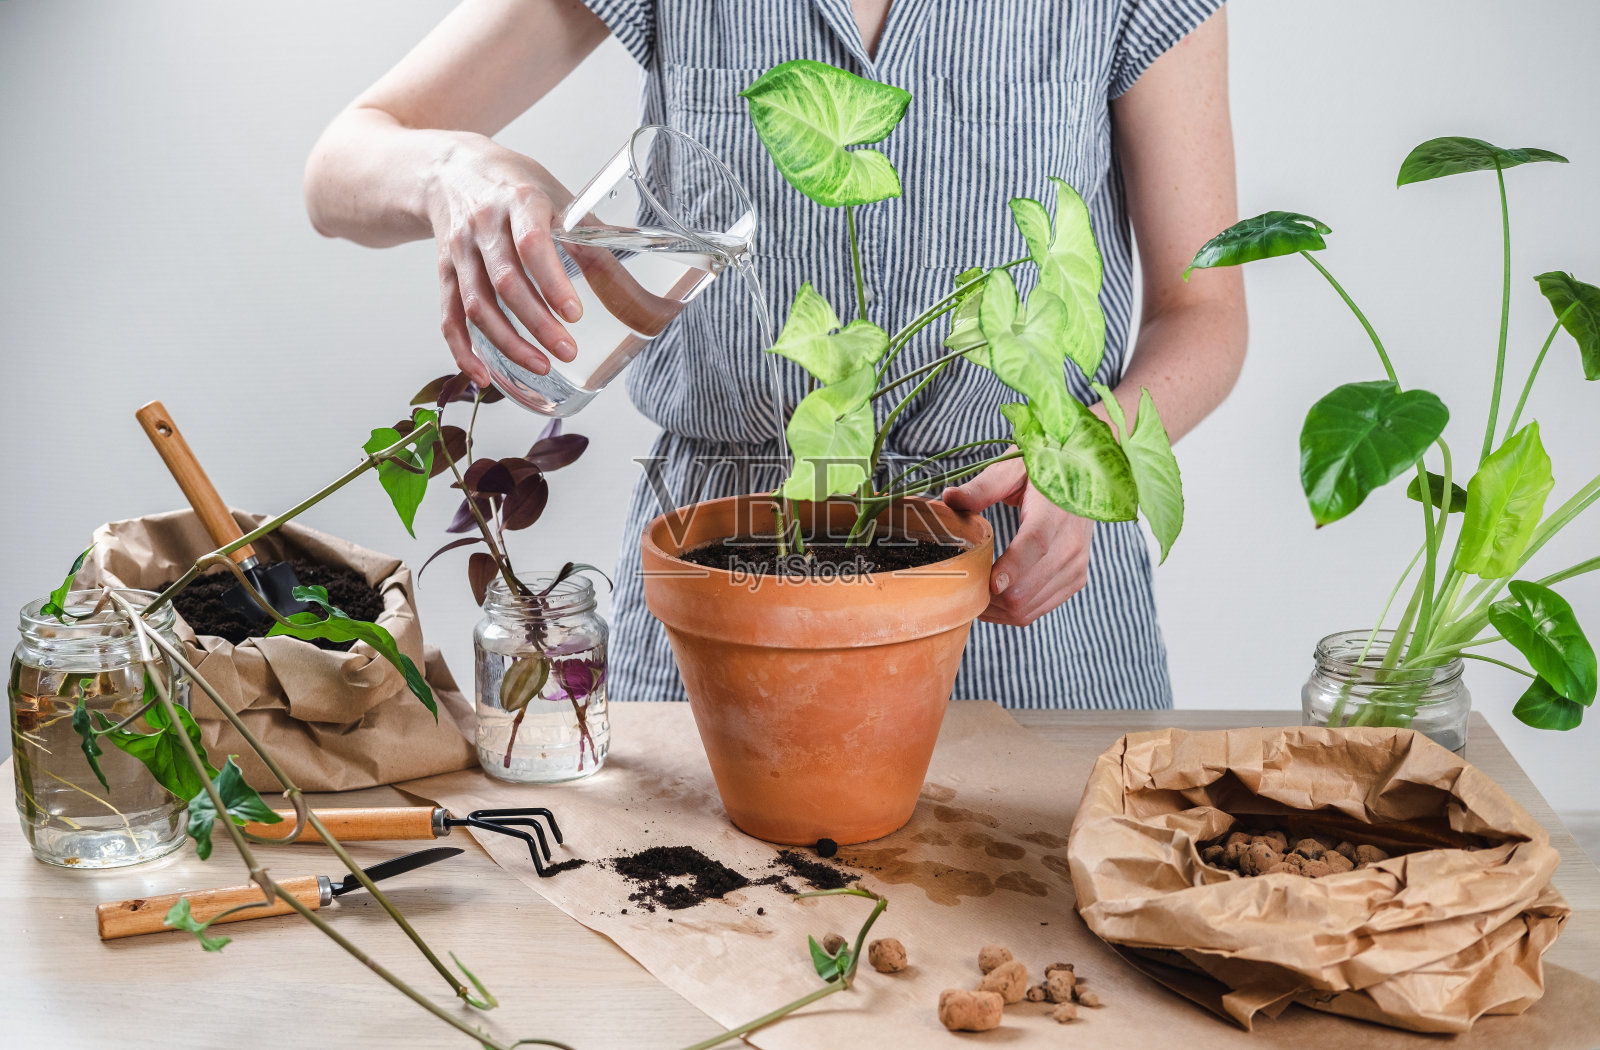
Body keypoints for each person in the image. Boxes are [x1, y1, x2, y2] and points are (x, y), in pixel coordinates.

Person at [304, 0, 1248, 710]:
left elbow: (1204, 316)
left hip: (1021, 592)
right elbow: (339, 165)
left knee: (1041, 960)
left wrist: (1087, 452)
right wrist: (456, 171)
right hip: (726, 578)